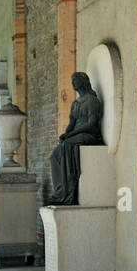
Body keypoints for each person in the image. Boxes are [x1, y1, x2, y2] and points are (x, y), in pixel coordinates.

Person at [48, 72, 103, 205]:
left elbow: (91, 123)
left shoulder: (91, 101)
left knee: (67, 145)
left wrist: (70, 135)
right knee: (55, 154)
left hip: (90, 135)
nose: (72, 83)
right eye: (72, 80)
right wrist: (65, 134)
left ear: (82, 82)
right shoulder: (75, 103)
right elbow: (71, 124)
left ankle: (69, 190)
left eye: (75, 80)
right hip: (76, 135)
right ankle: (60, 190)